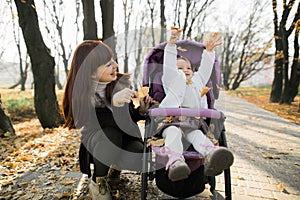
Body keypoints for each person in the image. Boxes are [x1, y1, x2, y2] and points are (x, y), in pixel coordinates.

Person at [62, 40, 152, 199]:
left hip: (125, 137)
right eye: (108, 64)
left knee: (139, 155)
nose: (116, 65)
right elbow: (89, 123)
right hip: (99, 140)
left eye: (113, 60)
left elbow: (128, 119)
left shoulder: (120, 84)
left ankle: (115, 168)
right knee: (110, 136)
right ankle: (98, 182)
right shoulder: (83, 93)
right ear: (91, 72)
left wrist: (141, 111)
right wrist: (115, 104)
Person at [158, 29, 234, 182]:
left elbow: (205, 70)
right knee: (173, 133)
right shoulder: (172, 80)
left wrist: (209, 51)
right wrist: (171, 45)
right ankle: (176, 162)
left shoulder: (198, 81)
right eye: (179, 68)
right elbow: (169, 66)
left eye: (188, 68)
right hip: (172, 121)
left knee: (198, 136)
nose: (184, 70)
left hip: (193, 123)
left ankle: (211, 155)